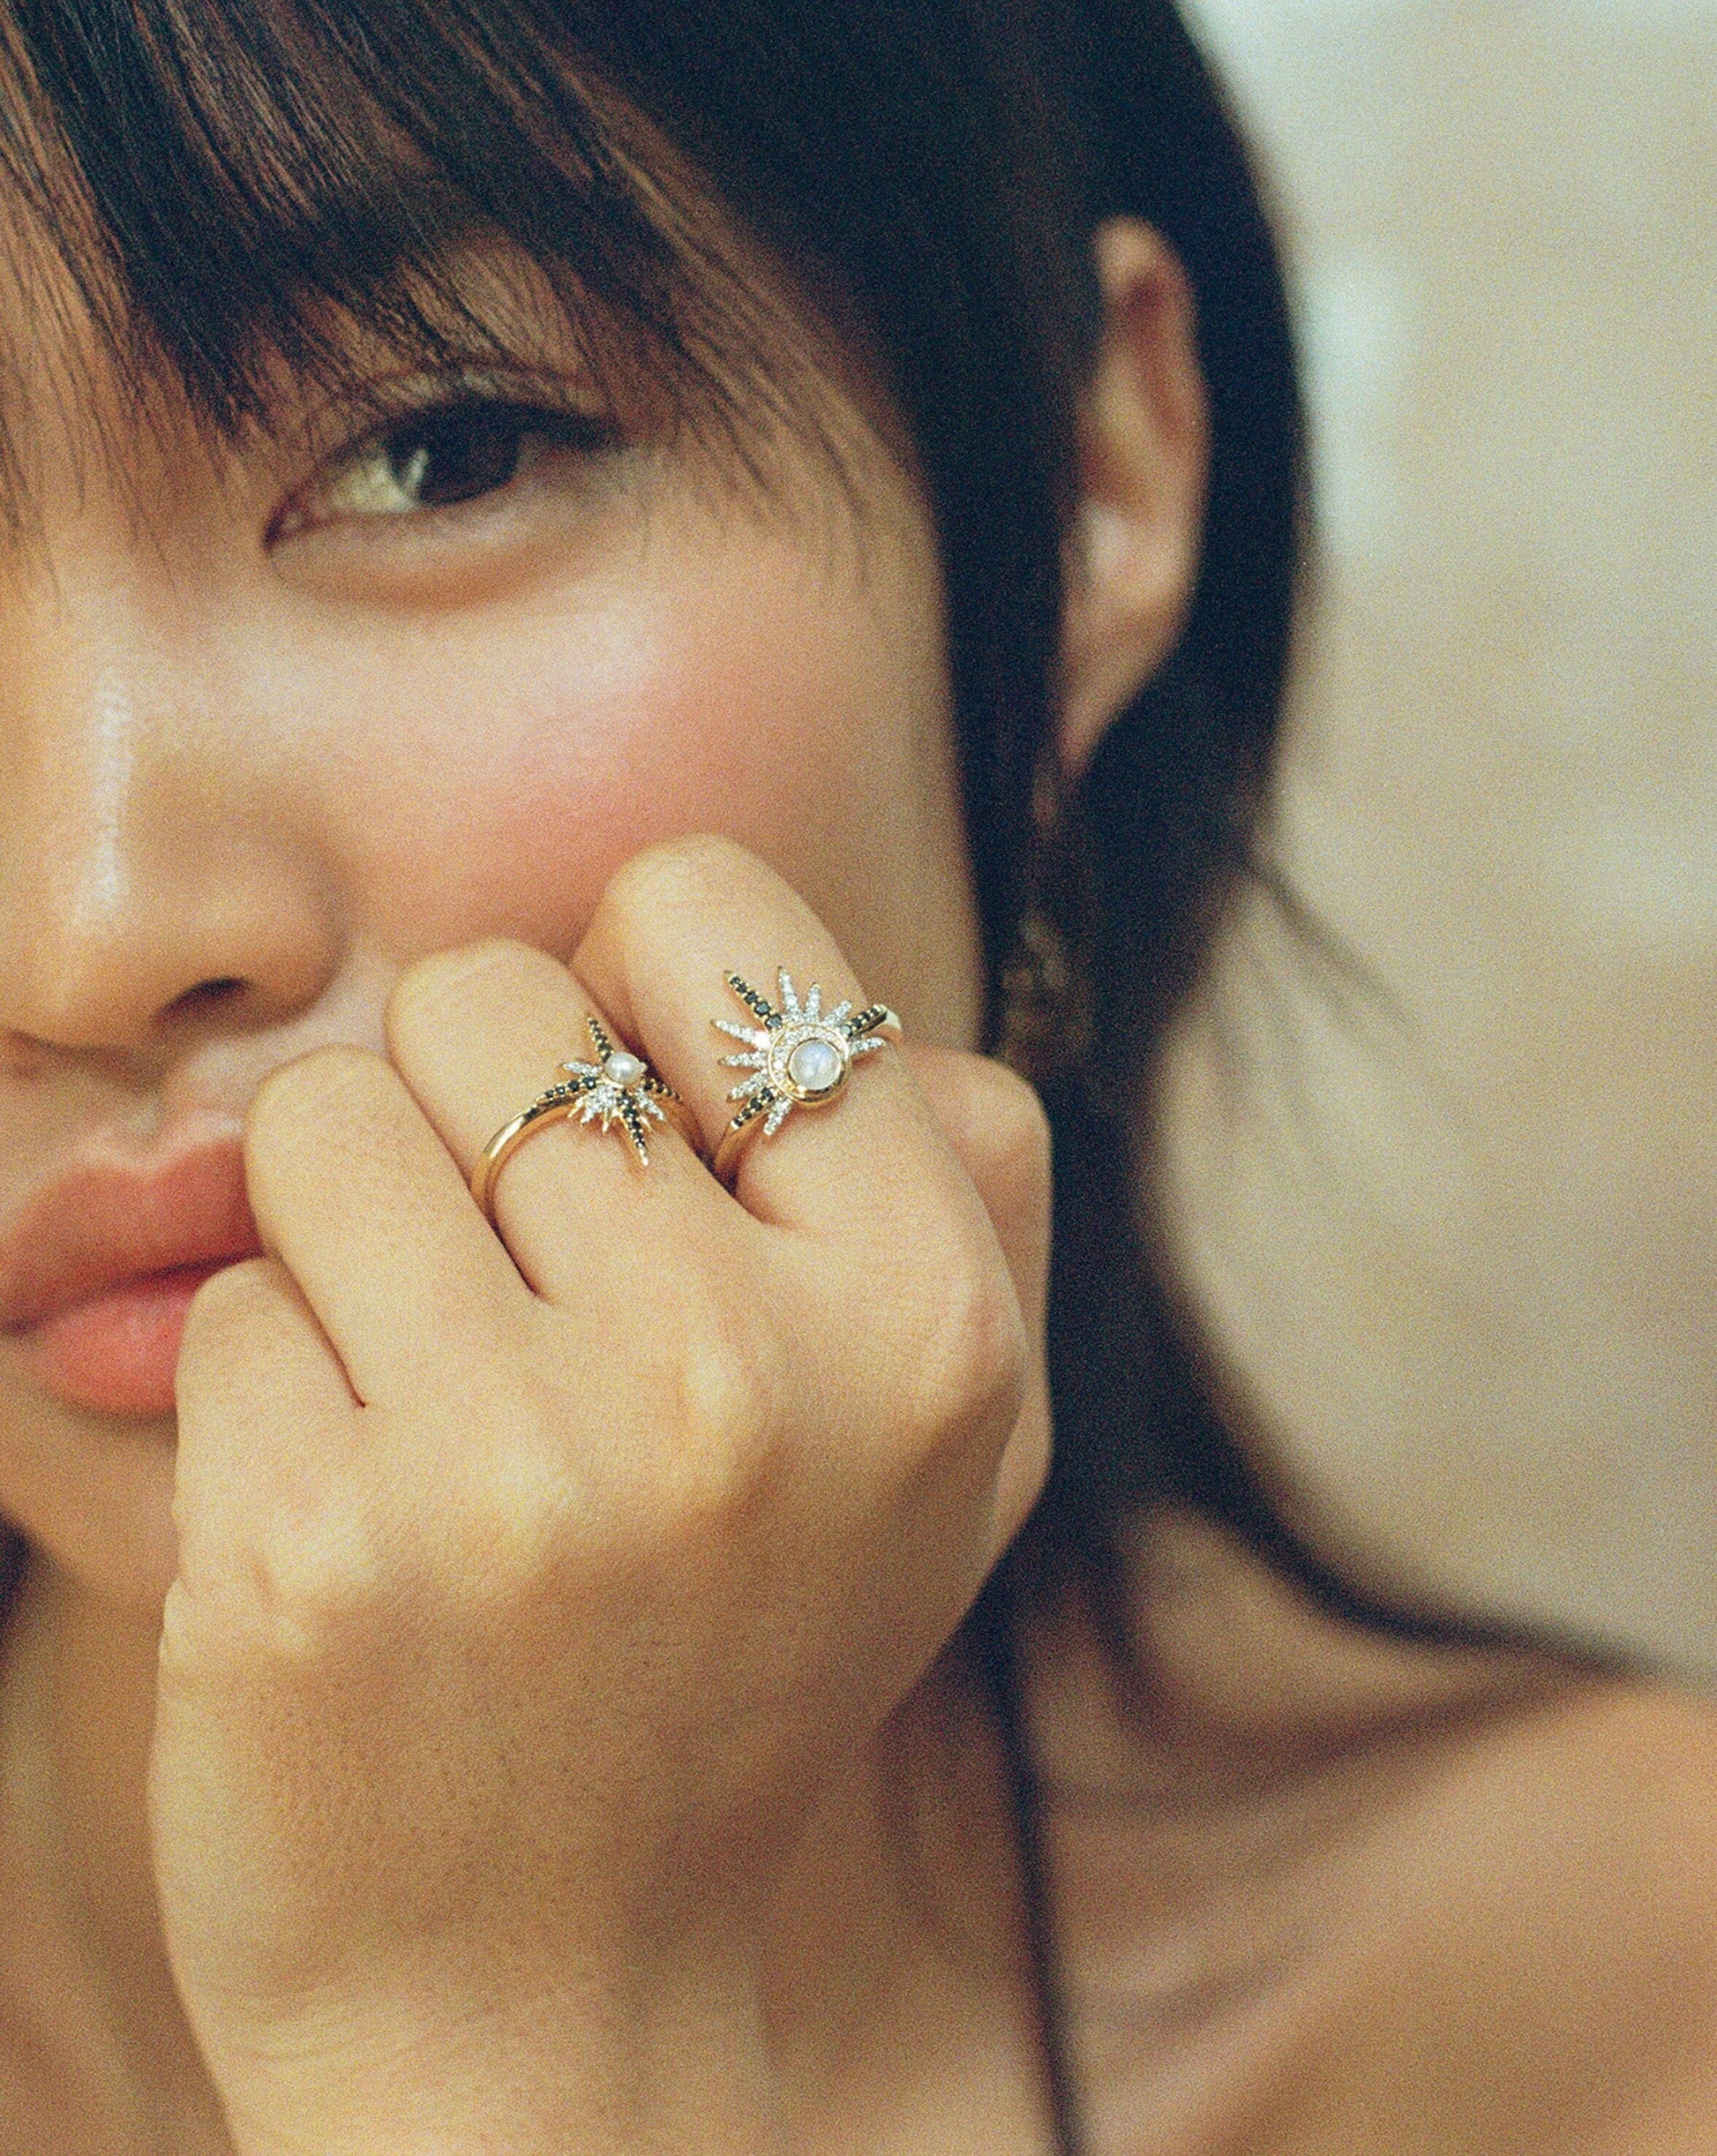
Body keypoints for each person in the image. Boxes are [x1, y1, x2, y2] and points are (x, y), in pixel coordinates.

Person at [0, 3, 1711, 2152]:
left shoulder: (1630, 2016)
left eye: (442, 449)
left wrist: (506, 2045)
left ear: (1086, 486)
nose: (84, 934)